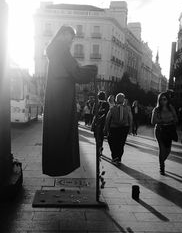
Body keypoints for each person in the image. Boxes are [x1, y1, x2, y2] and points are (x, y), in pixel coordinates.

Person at [42, 25, 97, 176]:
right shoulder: (61, 50)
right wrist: (93, 69)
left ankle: (55, 166)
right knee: (63, 132)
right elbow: (76, 73)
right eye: (71, 37)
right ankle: (61, 166)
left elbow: (73, 70)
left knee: (57, 133)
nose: (71, 41)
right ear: (64, 34)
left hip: (56, 97)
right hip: (62, 99)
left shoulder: (54, 50)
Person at [151, 92, 178, 175]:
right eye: (161, 99)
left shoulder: (171, 108)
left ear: (167, 100)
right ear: (159, 100)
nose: (163, 101)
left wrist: (172, 121)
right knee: (162, 149)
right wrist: (162, 121)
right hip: (160, 130)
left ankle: (161, 161)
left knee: (168, 150)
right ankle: (162, 167)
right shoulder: (156, 109)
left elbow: (176, 118)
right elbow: (152, 121)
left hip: (169, 130)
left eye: (165, 99)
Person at [104, 93, 132, 165]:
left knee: (113, 142)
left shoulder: (113, 108)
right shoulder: (127, 108)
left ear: (116, 100)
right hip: (123, 128)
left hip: (115, 128)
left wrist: (106, 128)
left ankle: (115, 157)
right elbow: (130, 118)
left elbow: (107, 118)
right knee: (121, 143)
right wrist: (130, 128)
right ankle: (118, 158)